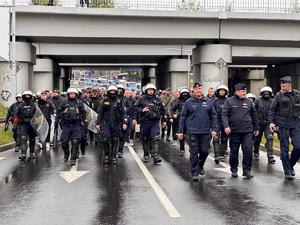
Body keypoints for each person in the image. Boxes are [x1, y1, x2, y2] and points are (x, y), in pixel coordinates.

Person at [177, 82, 218, 181]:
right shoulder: (188, 102)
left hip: (205, 132)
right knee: (194, 153)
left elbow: (213, 116)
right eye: (196, 89)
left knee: (205, 151)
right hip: (192, 132)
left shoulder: (208, 101)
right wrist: (180, 131)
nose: (198, 90)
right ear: (193, 91)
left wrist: (214, 129)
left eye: (200, 88)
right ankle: (194, 173)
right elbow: (183, 117)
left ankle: (200, 165)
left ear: (202, 89)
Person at [222, 83, 259, 179]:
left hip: (247, 131)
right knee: (234, 152)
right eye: (243, 91)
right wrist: (226, 126)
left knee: (248, 151)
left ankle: (246, 171)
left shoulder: (249, 102)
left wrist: (256, 128)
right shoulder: (229, 101)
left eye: (245, 91)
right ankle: (234, 169)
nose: (244, 93)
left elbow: (254, 115)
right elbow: (224, 115)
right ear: (237, 91)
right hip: (234, 131)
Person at [269, 76, 300, 179]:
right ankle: (287, 171)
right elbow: (272, 109)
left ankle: (290, 165)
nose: (282, 86)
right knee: (284, 148)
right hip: (283, 125)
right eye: (281, 84)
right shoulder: (279, 95)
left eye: (284, 84)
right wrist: (272, 122)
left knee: (298, 146)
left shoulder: (297, 94)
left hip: (295, 124)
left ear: (289, 85)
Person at [133, 83, 167, 164]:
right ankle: (146, 154)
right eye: (149, 90)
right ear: (146, 91)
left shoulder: (158, 99)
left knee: (155, 138)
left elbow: (163, 109)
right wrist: (142, 110)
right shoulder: (142, 98)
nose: (150, 91)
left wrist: (164, 120)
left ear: (154, 90)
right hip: (145, 122)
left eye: (152, 90)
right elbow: (135, 107)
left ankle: (155, 156)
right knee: (145, 139)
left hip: (155, 122)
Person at [96, 85, 127, 164]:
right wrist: (98, 123)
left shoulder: (119, 101)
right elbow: (100, 113)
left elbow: (124, 113)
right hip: (106, 123)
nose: (112, 93)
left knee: (115, 140)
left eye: (114, 92)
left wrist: (124, 122)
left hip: (116, 123)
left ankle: (113, 156)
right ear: (108, 92)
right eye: (111, 92)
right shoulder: (104, 101)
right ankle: (106, 155)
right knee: (105, 139)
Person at [56, 87, 86, 165]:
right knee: (64, 142)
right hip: (66, 124)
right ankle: (66, 153)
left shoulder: (79, 102)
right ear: (68, 94)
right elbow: (58, 112)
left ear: (76, 94)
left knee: (75, 142)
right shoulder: (64, 102)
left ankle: (73, 158)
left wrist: (84, 121)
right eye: (71, 93)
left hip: (76, 125)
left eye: (73, 94)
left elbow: (84, 112)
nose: (72, 95)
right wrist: (57, 121)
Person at [253, 86, 276, 164]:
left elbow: (275, 112)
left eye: (268, 92)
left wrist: (274, 122)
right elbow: (253, 112)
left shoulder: (273, 101)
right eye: (265, 92)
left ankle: (270, 156)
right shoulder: (257, 101)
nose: (266, 94)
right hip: (259, 123)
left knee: (270, 138)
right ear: (262, 93)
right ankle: (256, 151)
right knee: (257, 139)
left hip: (268, 124)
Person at [14, 91, 38, 161]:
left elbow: (38, 114)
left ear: (31, 97)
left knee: (32, 139)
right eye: (25, 96)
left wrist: (37, 124)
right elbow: (16, 115)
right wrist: (16, 120)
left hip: (32, 125)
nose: (27, 97)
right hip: (24, 124)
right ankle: (23, 154)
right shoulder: (21, 105)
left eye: (28, 96)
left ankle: (32, 152)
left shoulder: (34, 105)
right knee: (23, 139)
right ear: (23, 97)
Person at [212, 84, 229, 164]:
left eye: (223, 91)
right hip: (216, 121)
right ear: (218, 92)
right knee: (215, 138)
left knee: (224, 139)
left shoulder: (228, 101)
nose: (222, 92)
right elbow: (211, 112)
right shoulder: (214, 101)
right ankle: (216, 155)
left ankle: (222, 154)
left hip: (225, 122)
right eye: (220, 91)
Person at [171, 88, 191, 156]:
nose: (185, 95)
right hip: (181, 120)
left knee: (191, 136)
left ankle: (192, 149)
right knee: (181, 135)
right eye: (183, 94)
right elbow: (172, 110)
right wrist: (174, 115)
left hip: (190, 121)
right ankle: (182, 149)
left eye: (186, 93)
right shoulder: (179, 101)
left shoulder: (191, 101)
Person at [116, 84, 132, 158]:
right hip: (114, 119)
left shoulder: (126, 99)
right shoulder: (113, 98)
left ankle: (120, 151)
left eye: (121, 89)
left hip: (123, 119)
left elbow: (130, 106)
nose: (119, 91)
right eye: (118, 89)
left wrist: (125, 109)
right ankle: (113, 151)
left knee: (122, 135)